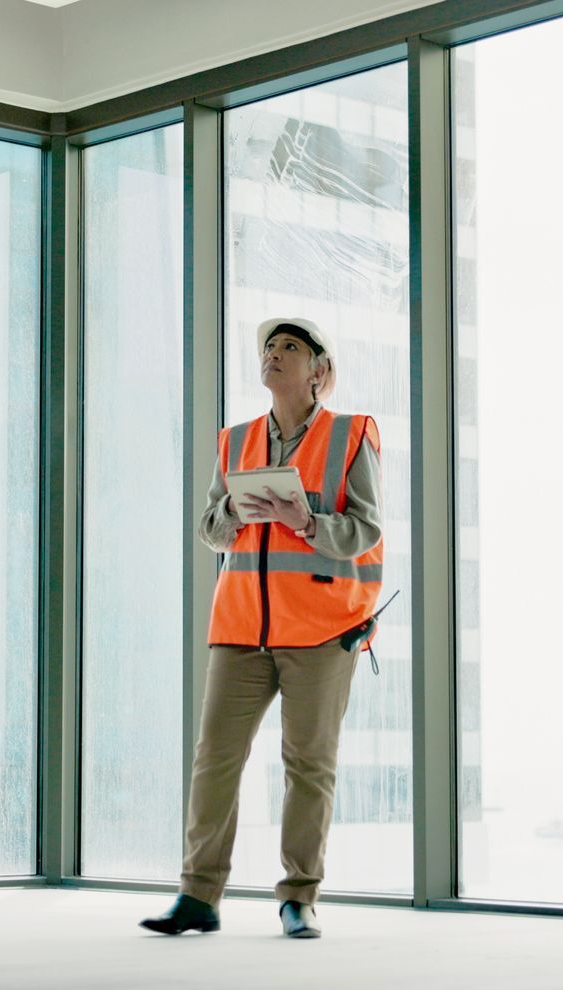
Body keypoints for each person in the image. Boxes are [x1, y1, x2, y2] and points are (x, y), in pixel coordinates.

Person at [140, 316, 384, 940]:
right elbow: (209, 530)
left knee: (308, 765)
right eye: (270, 348)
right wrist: (231, 510)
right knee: (214, 760)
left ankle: (299, 897)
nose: (275, 355)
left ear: (318, 371)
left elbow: (365, 531)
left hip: (322, 631)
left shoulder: (351, 435)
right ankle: (198, 896)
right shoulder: (236, 441)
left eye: (291, 348)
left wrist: (306, 521)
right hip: (241, 626)